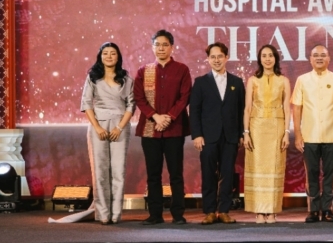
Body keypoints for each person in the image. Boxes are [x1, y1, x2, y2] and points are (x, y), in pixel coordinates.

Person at [133, 29, 192, 225]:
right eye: (157, 45)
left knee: (176, 174)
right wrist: (155, 116)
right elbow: (139, 98)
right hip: (150, 130)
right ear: (152, 47)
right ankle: (155, 214)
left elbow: (185, 96)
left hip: (175, 129)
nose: (161, 48)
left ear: (172, 47)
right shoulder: (144, 71)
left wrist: (169, 117)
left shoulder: (182, 69)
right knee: (153, 175)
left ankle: (178, 214)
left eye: (165, 45)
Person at [190, 42, 246, 225]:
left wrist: (241, 134)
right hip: (207, 137)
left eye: (220, 56)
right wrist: (197, 135)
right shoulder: (200, 82)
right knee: (208, 174)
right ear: (208, 59)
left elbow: (241, 110)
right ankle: (209, 211)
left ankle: (223, 211)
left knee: (227, 174)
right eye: (212, 57)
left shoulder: (237, 82)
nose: (216, 60)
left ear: (226, 58)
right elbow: (194, 111)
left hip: (230, 136)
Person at [292, 44, 333, 223]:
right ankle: (313, 210)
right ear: (310, 59)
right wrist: (298, 135)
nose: (319, 58)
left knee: (330, 173)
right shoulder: (302, 80)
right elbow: (297, 109)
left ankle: (328, 209)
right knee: (312, 173)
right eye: (315, 55)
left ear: (329, 58)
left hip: (332, 135)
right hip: (309, 135)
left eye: (323, 55)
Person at [80, 42, 135, 224]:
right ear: (100, 56)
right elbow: (86, 103)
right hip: (98, 126)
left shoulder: (126, 78)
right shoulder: (93, 77)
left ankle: (116, 213)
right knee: (100, 171)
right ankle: (103, 213)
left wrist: (119, 128)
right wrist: (97, 127)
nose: (109, 56)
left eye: (113, 53)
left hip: (120, 126)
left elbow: (131, 105)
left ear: (118, 57)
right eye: (105, 53)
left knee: (119, 171)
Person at [243, 44, 291, 224]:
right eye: (264, 56)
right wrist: (246, 133)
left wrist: (286, 133)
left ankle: (272, 211)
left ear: (275, 58)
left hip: (277, 128)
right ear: (259, 59)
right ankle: (258, 211)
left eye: (271, 55)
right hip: (256, 127)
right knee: (257, 167)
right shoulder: (253, 80)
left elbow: (287, 108)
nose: (267, 59)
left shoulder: (283, 80)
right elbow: (247, 108)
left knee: (275, 167)